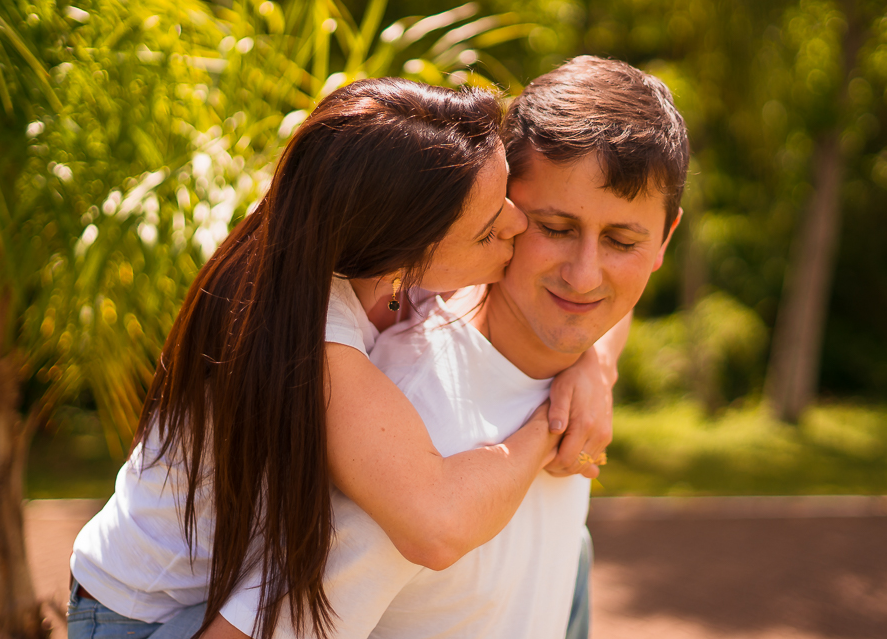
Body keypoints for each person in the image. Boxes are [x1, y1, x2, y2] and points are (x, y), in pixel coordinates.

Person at [67, 78, 619, 639]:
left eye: (506, 196)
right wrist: (552, 423)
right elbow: (435, 524)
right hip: (146, 615)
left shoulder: (374, 233)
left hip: (230, 583)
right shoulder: (312, 333)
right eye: (487, 232)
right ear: (400, 255)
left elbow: (613, 258)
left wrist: (594, 361)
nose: (517, 223)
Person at [204, 55, 690, 639]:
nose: (585, 277)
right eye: (555, 229)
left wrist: (597, 367)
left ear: (665, 240)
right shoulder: (409, 430)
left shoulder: (568, 365)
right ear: (498, 211)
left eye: (621, 240)